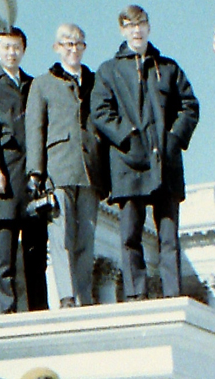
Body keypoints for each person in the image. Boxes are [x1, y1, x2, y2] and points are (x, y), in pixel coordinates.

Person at [91, 4, 199, 301]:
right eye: (130, 25)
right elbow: (100, 111)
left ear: (148, 27)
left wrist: (174, 138)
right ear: (122, 30)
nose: (136, 30)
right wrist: (127, 138)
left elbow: (190, 106)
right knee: (130, 236)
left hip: (165, 163)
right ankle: (136, 295)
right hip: (128, 165)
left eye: (141, 24)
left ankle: (172, 293)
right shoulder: (108, 70)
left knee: (168, 238)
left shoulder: (169, 68)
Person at [26, 23, 107, 309]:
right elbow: (35, 128)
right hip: (57, 170)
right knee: (61, 238)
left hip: (89, 171)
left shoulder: (97, 81)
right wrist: (35, 172)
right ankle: (67, 296)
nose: (73, 49)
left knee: (86, 238)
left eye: (78, 44)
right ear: (56, 47)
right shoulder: (42, 83)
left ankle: (84, 296)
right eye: (67, 44)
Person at [0, 27, 47, 315]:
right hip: (3, 171)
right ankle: (7, 308)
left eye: (16, 47)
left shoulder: (32, 84)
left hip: (31, 174)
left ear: (23, 50)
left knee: (35, 246)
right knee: (4, 249)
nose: (11, 52)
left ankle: (39, 305)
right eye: (6, 47)